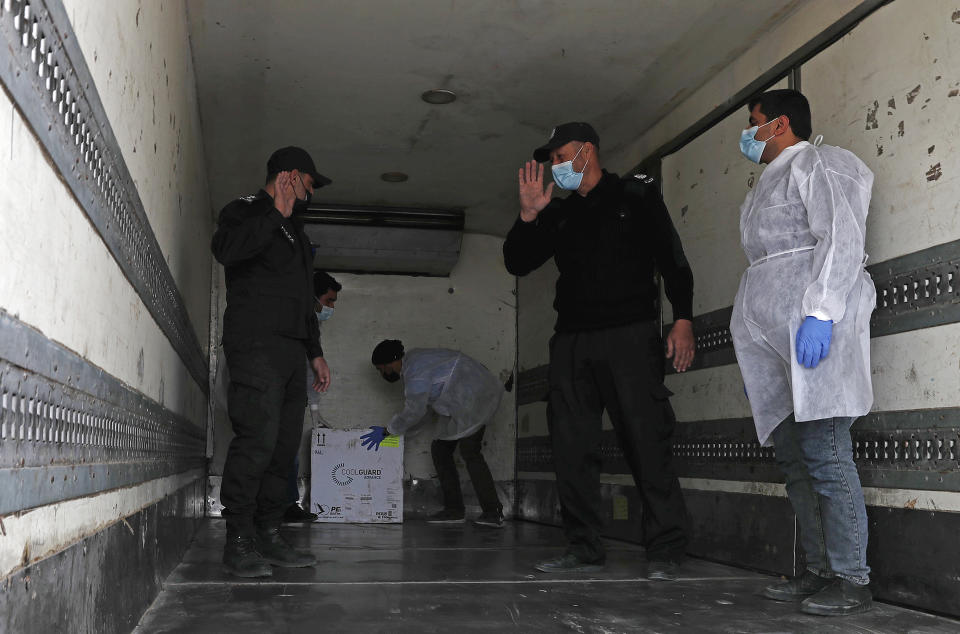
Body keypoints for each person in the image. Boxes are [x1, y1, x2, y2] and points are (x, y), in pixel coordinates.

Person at [502, 122, 695, 579]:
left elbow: (673, 259)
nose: (556, 165)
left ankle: (666, 548)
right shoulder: (560, 213)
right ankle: (583, 547)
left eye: (562, 155)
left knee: (646, 442)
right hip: (572, 341)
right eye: (551, 159)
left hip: (630, 336)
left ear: (589, 150)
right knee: (571, 448)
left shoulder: (635, 196)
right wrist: (528, 216)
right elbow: (516, 261)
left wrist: (683, 319)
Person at [730, 89, 874, 616]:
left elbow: (840, 236)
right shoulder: (764, 185)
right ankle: (818, 570)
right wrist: (752, 350)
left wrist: (821, 311)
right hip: (772, 341)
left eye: (753, 123)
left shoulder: (819, 163)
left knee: (826, 454)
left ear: (779, 124)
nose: (747, 135)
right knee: (794, 460)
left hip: (816, 329)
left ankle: (852, 578)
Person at [211, 146, 332, 577]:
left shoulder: (296, 233)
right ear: (290, 176)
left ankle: (268, 532)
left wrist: (314, 352)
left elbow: (304, 299)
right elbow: (227, 250)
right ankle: (238, 539)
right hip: (254, 344)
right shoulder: (245, 211)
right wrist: (275, 214)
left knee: (282, 448)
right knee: (257, 440)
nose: (310, 193)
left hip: (290, 351)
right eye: (309, 184)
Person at [362, 340, 505, 528]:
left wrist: (389, 430)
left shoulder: (416, 373)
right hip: (467, 399)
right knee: (440, 449)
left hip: (475, 398)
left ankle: (493, 512)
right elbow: (425, 409)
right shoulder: (414, 362)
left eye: (383, 369)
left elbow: (415, 410)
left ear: (392, 362)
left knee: (470, 451)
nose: (384, 373)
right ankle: (454, 509)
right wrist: (398, 431)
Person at [283, 271, 342, 524]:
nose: (330, 308)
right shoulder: (296, 322)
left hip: (283, 397)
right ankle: (284, 506)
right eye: (328, 301)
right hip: (275, 397)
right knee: (284, 451)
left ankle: (282, 504)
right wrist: (314, 409)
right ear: (313, 298)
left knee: (283, 451)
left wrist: (314, 410)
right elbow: (307, 370)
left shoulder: (304, 323)